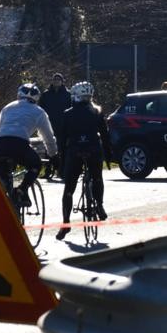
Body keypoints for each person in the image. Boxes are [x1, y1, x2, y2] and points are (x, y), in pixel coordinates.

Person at [56, 81, 111, 240]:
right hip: (94, 150)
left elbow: (62, 139)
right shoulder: (97, 112)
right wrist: (107, 155)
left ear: (75, 96)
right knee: (97, 178)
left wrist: (61, 159)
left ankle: (65, 224)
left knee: (69, 189)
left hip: (75, 152)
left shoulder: (67, 113)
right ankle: (99, 205)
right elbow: (105, 136)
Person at [0, 84, 59, 207]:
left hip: (0, 144)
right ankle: (22, 189)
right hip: (19, 144)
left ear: (19, 95)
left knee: (3, 178)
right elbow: (48, 137)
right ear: (36, 99)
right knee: (36, 164)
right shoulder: (39, 112)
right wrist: (53, 155)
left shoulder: (7, 107)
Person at [38, 73, 72, 180]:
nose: (56, 81)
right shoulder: (46, 95)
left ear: (62, 81)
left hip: (63, 126)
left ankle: (62, 171)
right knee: (48, 148)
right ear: (52, 81)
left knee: (63, 149)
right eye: (54, 79)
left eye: (58, 79)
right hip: (49, 125)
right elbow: (41, 109)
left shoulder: (68, 95)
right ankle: (48, 171)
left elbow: (71, 110)